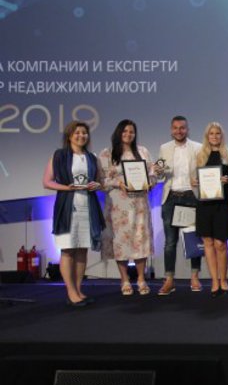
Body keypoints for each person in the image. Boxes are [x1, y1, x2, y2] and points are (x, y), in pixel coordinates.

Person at [42, 121, 105, 307]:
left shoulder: (92, 157)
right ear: (69, 136)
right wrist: (67, 188)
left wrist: (97, 185)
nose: (81, 136)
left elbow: (99, 181)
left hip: (88, 207)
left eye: (84, 132)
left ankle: (78, 290)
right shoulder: (59, 155)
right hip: (67, 207)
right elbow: (47, 182)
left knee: (82, 250)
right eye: (77, 132)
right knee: (68, 250)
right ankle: (71, 292)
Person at [98, 119, 156, 296]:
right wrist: (118, 183)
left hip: (139, 204)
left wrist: (150, 183)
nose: (128, 134)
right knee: (120, 242)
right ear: (118, 133)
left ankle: (141, 279)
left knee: (140, 240)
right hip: (118, 205)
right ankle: (124, 280)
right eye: (125, 131)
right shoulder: (107, 154)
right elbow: (101, 181)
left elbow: (152, 173)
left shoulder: (143, 151)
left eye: (131, 131)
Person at [153, 116, 203, 295]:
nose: (179, 131)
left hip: (191, 196)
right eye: (175, 128)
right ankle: (169, 280)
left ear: (187, 129)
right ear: (171, 130)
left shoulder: (198, 147)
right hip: (171, 197)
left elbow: (204, 172)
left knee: (193, 239)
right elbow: (160, 176)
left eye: (182, 128)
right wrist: (157, 172)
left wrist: (201, 180)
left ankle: (195, 277)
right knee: (170, 242)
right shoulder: (164, 148)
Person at [195, 122, 228, 297]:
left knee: (221, 243)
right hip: (204, 204)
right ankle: (214, 281)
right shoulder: (200, 155)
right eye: (211, 133)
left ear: (221, 136)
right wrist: (195, 181)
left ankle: (223, 279)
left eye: (218, 133)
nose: (215, 136)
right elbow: (194, 178)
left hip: (222, 204)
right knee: (208, 243)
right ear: (207, 136)